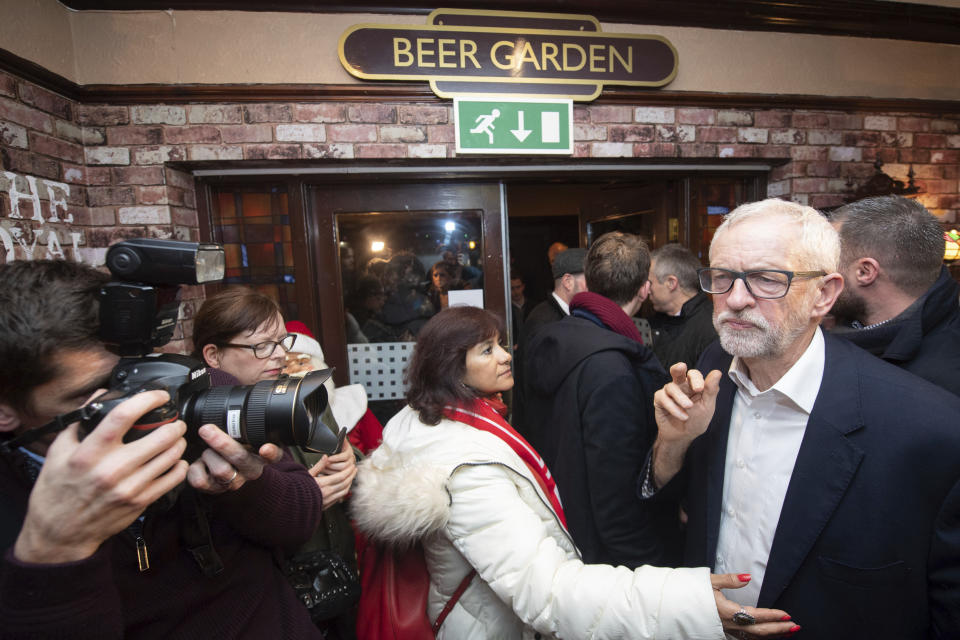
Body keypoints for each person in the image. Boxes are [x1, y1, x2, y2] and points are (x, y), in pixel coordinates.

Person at [350, 306, 796, 640]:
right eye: (487, 350)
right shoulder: (468, 464)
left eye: (502, 344)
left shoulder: (427, 420)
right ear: (450, 366)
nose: (506, 357)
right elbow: (545, 591)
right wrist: (689, 603)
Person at [644, 198, 960, 639]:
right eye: (722, 277)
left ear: (824, 294)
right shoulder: (713, 365)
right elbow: (673, 513)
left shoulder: (930, 427)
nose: (734, 300)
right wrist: (674, 443)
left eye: (765, 279)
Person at [0, 260, 325, 639]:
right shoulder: (23, 521)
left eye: (134, 373)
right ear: (6, 409)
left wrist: (249, 484)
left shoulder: (198, 390)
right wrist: (58, 549)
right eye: (94, 395)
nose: (137, 401)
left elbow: (301, 519)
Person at [192, 287, 360, 639]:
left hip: (336, 579)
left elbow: (341, 455)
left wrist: (351, 465)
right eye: (262, 346)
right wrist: (296, 498)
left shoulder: (302, 394)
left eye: (283, 342)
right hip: (271, 602)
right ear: (213, 355)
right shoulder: (202, 431)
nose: (281, 356)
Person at [522, 232, 674, 568]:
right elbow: (615, 493)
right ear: (645, 289)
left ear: (588, 281)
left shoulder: (554, 339)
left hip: (556, 531)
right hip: (601, 558)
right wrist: (651, 567)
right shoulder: (611, 368)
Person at [829, 195, 960, 396]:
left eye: (827, 259)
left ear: (865, 272)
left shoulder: (942, 382)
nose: (818, 271)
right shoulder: (833, 334)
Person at [511, 248, 587, 436]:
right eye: (590, 280)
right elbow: (540, 391)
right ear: (568, 282)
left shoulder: (563, 315)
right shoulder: (545, 323)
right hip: (545, 434)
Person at [648, 243, 718, 369]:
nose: (647, 290)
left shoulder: (712, 328)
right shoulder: (658, 320)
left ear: (671, 283)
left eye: (650, 282)